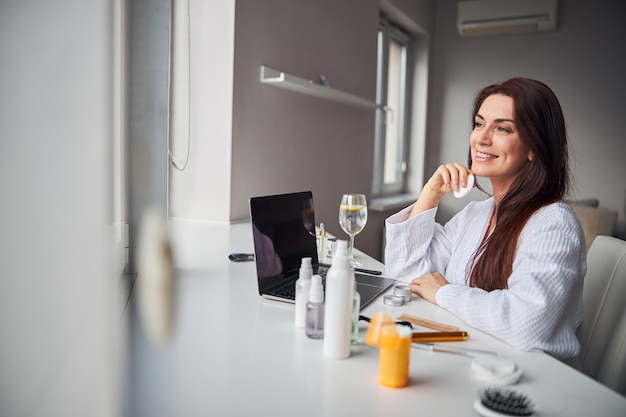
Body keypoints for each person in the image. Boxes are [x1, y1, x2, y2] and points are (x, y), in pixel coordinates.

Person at [384, 77, 587, 368]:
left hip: (534, 382)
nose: (481, 137)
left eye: (502, 128)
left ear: (535, 148)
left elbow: (526, 324)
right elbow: (405, 276)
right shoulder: (476, 214)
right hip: (475, 361)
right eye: (479, 124)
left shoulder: (553, 224)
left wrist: (444, 291)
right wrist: (429, 195)